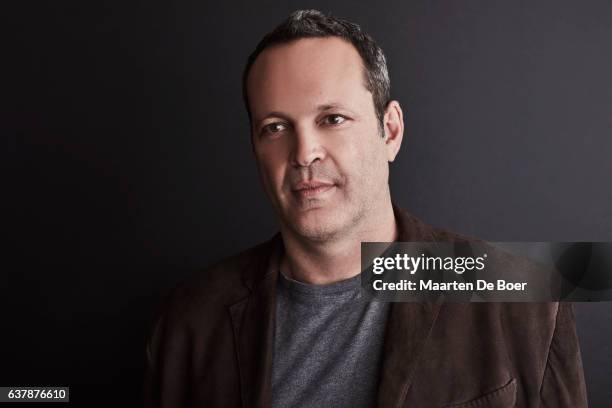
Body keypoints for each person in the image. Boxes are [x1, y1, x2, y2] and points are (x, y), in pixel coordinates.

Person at [143, 10, 587, 407]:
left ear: (390, 131)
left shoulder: (524, 299)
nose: (304, 153)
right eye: (275, 127)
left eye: (331, 119)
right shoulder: (190, 322)